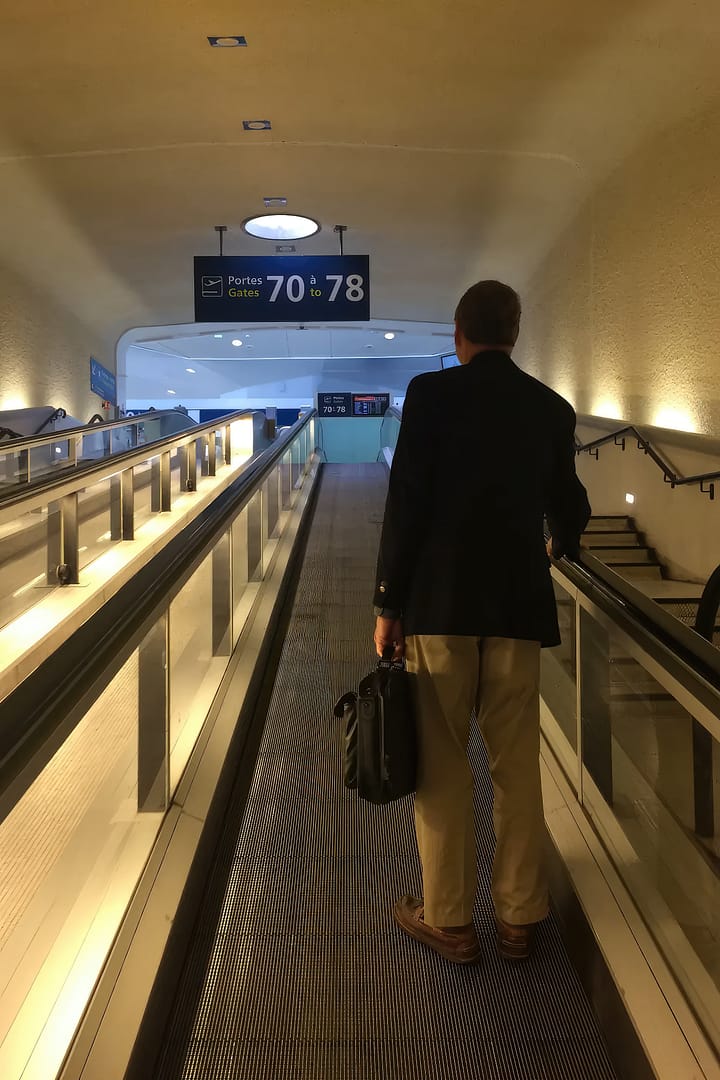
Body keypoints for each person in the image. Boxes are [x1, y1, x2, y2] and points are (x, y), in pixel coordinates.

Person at [373, 280, 591, 965]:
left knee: (443, 766)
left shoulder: (432, 397)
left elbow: (406, 502)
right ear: (515, 335)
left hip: (440, 608)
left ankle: (451, 922)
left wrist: (388, 604)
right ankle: (520, 917)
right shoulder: (550, 408)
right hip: (518, 611)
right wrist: (557, 547)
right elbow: (571, 507)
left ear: (458, 335)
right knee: (516, 764)